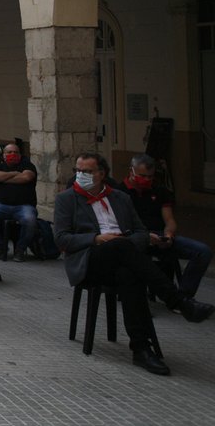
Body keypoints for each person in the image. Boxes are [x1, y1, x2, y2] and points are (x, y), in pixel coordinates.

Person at [54, 153, 213, 375]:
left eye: (87, 171)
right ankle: (178, 301)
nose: (81, 175)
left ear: (101, 174)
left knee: (129, 274)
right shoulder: (66, 199)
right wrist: (97, 238)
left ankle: (141, 349)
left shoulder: (120, 198)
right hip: (92, 259)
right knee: (120, 248)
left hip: (123, 258)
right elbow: (61, 239)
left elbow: (141, 232)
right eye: (78, 170)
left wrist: (124, 242)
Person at [117, 154, 211, 300]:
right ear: (132, 172)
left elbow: (169, 219)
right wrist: (146, 238)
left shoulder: (159, 190)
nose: (147, 180)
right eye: (143, 176)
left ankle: (182, 297)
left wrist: (168, 235)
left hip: (160, 235)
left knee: (202, 251)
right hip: (135, 239)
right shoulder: (119, 193)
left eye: (150, 176)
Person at [0, 142, 39, 261]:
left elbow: (26, 177)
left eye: (15, 152)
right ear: (4, 155)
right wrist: (14, 174)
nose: (13, 154)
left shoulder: (27, 165)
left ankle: (20, 250)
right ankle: (0, 248)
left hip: (24, 206)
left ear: (20, 155)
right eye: (9, 152)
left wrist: (4, 179)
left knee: (30, 220)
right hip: (1, 206)